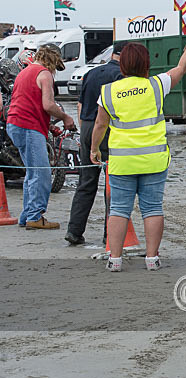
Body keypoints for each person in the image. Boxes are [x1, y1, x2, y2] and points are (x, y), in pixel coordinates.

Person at [91, 28, 186, 271]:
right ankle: (152, 259)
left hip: (122, 162)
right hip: (153, 160)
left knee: (119, 210)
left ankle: (115, 260)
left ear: (122, 65)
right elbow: (181, 68)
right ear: (146, 64)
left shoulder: (108, 92)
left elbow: (100, 124)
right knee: (152, 209)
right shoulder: (156, 85)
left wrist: (94, 149)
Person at [6, 45, 76, 229]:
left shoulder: (24, 72)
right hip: (28, 126)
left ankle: (26, 216)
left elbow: (27, 102)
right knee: (42, 173)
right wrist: (65, 117)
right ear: (53, 60)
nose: (55, 72)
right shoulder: (44, 74)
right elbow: (48, 105)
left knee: (32, 172)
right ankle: (35, 217)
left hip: (15, 124)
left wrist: (48, 125)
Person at [65, 42, 124, 245]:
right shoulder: (121, 77)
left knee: (86, 182)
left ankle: (74, 230)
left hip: (88, 126)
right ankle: (110, 235)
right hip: (108, 128)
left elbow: (80, 105)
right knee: (113, 183)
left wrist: (85, 133)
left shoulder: (91, 73)